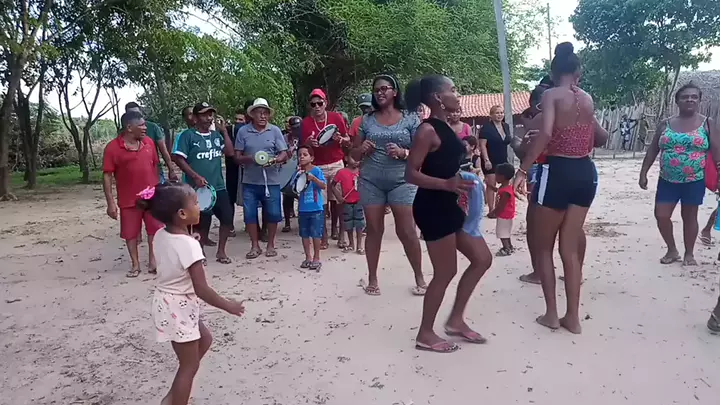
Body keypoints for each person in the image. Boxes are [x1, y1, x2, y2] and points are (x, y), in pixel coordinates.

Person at [513, 42, 608, 334]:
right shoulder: (587, 99)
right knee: (570, 248)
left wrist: (522, 169)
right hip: (585, 172)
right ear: (578, 72)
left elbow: (545, 134)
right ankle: (573, 318)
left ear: (553, 73)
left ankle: (552, 315)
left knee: (544, 248)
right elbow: (599, 137)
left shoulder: (552, 95)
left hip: (557, 172)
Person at [405, 74, 493, 353]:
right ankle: (425, 334)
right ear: (438, 98)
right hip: (432, 206)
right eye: (453, 90)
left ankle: (455, 320)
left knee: (482, 259)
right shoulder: (427, 130)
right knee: (445, 272)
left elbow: (443, 164)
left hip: (450, 203)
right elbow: (410, 174)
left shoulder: (445, 126)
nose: (457, 94)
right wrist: (446, 184)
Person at [138, 183, 245, 405]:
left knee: (204, 340)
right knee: (188, 367)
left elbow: (176, 252)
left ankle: (172, 397)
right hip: (179, 306)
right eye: (195, 203)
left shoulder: (161, 234)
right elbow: (202, 289)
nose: (199, 206)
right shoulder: (189, 246)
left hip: (168, 302)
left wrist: (190, 241)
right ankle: (174, 400)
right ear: (182, 214)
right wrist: (229, 306)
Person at [350, 74, 427, 296]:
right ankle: (372, 279)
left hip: (402, 181)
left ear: (395, 91)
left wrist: (404, 153)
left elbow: (423, 151)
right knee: (374, 230)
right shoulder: (366, 120)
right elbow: (353, 155)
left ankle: (419, 276)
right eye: (376, 90)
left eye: (385, 88)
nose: (380, 92)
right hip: (371, 181)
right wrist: (362, 149)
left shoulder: (410, 118)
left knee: (407, 230)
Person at [639, 82, 720, 266]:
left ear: (699, 101)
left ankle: (689, 254)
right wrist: (643, 172)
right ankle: (672, 250)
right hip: (667, 180)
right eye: (685, 97)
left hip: (695, 180)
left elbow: (717, 152)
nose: (690, 100)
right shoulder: (665, 124)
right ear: (677, 101)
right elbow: (653, 150)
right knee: (661, 215)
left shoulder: (708, 123)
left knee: (689, 217)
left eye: (694, 97)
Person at [172, 102, 236, 264]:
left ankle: (221, 252)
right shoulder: (187, 136)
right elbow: (178, 158)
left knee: (227, 218)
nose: (209, 118)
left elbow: (229, 152)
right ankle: (200, 253)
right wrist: (195, 176)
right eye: (204, 115)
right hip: (197, 189)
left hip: (218, 186)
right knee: (201, 223)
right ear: (195, 117)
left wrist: (224, 132)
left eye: (210, 114)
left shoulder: (216, 136)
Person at [103, 111, 163, 278]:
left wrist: (157, 189)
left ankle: (153, 261)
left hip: (151, 197)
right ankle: (135, 264)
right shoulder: (112, 148)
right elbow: (107, 176)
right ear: (129, 127)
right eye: (141, 125)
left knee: (155, 230)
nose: (145, 128)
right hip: (128, 199)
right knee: (130, 233)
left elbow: (154, 166)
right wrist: (110, 202)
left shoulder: (149, 143)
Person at [234, 98, 289, 259]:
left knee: (273, 213)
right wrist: (251, 159)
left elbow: (284, 153)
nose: (263, 116)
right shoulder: (243, 131)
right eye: (259, 113)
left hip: (271, 180)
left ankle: (271, 244)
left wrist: (275, 160)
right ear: (252, 114)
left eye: (265, 113)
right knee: (249, 214)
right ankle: (255, 245)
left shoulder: (275, 131)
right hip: (250, 181)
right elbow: (237, 157)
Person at [513, 79, 553, 285]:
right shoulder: (572, 113)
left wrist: (522, 168)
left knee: (536, 224)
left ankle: (539, 272)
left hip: (540, 169)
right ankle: (573, 272)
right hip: (568, 169)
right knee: (569, 225)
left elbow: (525, 151)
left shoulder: (538, 118)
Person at [301, 89, 351, 247]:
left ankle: (341, 233)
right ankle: (323, 236)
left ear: (325, 103)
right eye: (313, 104)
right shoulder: (306, 123)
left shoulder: (336, 117)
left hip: (336, 162)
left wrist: (341, 139)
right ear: (310, 106)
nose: (317, 106)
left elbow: (348, 139)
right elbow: (302, 147)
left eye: (319, 103)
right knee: (320, 202)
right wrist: (308, 143)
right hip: (318, 166)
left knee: (339, 200)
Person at [125, 102, 178, 183]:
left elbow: (163, 150)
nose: (135, 116)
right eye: (131, 114)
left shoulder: (152, 127)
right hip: (132, 174)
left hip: (154, 170)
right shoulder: (124, 131)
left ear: (141, 112)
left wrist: (171, 169)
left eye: (136, 113)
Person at [295, 146, 326, 271]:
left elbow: (323, 185)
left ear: (311, 158)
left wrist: (313, 178)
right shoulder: (298, 172)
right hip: (303, 209)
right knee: (304, 234)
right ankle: (308, 257)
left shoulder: (316, 170)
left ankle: (316, 257)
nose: (302, 157)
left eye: (305, 154)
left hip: (316, 208)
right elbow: (294, 189)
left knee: (316, 234)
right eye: (299, 155)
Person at [479, 105, 512, 213]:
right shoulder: (486, 128)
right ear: (491, 115)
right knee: (491, 184)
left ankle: (502, 207)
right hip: (490, 159)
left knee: (506, 183)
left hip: (503, 159)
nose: (500, 115)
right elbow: (482, 145)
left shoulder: (506, 126)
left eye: (501, 112)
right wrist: (486, 160)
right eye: (497, 113)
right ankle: (491, 209)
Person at [331, 154, 365, 254]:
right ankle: (351, 244)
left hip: (359, 201)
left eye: (358, 158)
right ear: (346, 158)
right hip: (346, 202)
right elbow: (332, 185)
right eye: (353, 158)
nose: (356, 161)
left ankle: (359, 246)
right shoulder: (341, 172)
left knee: (359, 224)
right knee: (348, 224)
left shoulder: (362, 172)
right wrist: (338, 197)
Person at [224, 109, 247, 237]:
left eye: (241, 119)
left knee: (248, 198)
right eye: (236, 119)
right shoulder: (228, 131)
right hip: (232, 169)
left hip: (246, 169)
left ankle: (250, 224)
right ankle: (230, 226)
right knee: (230, 198)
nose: (238, 122)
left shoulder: (248, 132)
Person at [488, 163, 517, 256]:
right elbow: (498, 191)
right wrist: (490, 186)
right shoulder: (506, 187)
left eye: (496, 175)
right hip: (507, 215)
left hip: (504, 215)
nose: (495, 177)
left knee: (502, 233)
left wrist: (493, 213)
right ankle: (510, 246)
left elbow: (501, 206)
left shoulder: (505, 191)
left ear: (502, 177)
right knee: (506, 232)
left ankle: (506, 248)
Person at [282, 116, 302, 233]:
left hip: (301, 167)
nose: (296, 130)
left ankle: (302, 221)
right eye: (294, 128)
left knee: (302, 196)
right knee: (287, 195)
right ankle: (287, 223)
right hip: (288, 168)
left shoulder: (304, 137)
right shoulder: (285, 138)